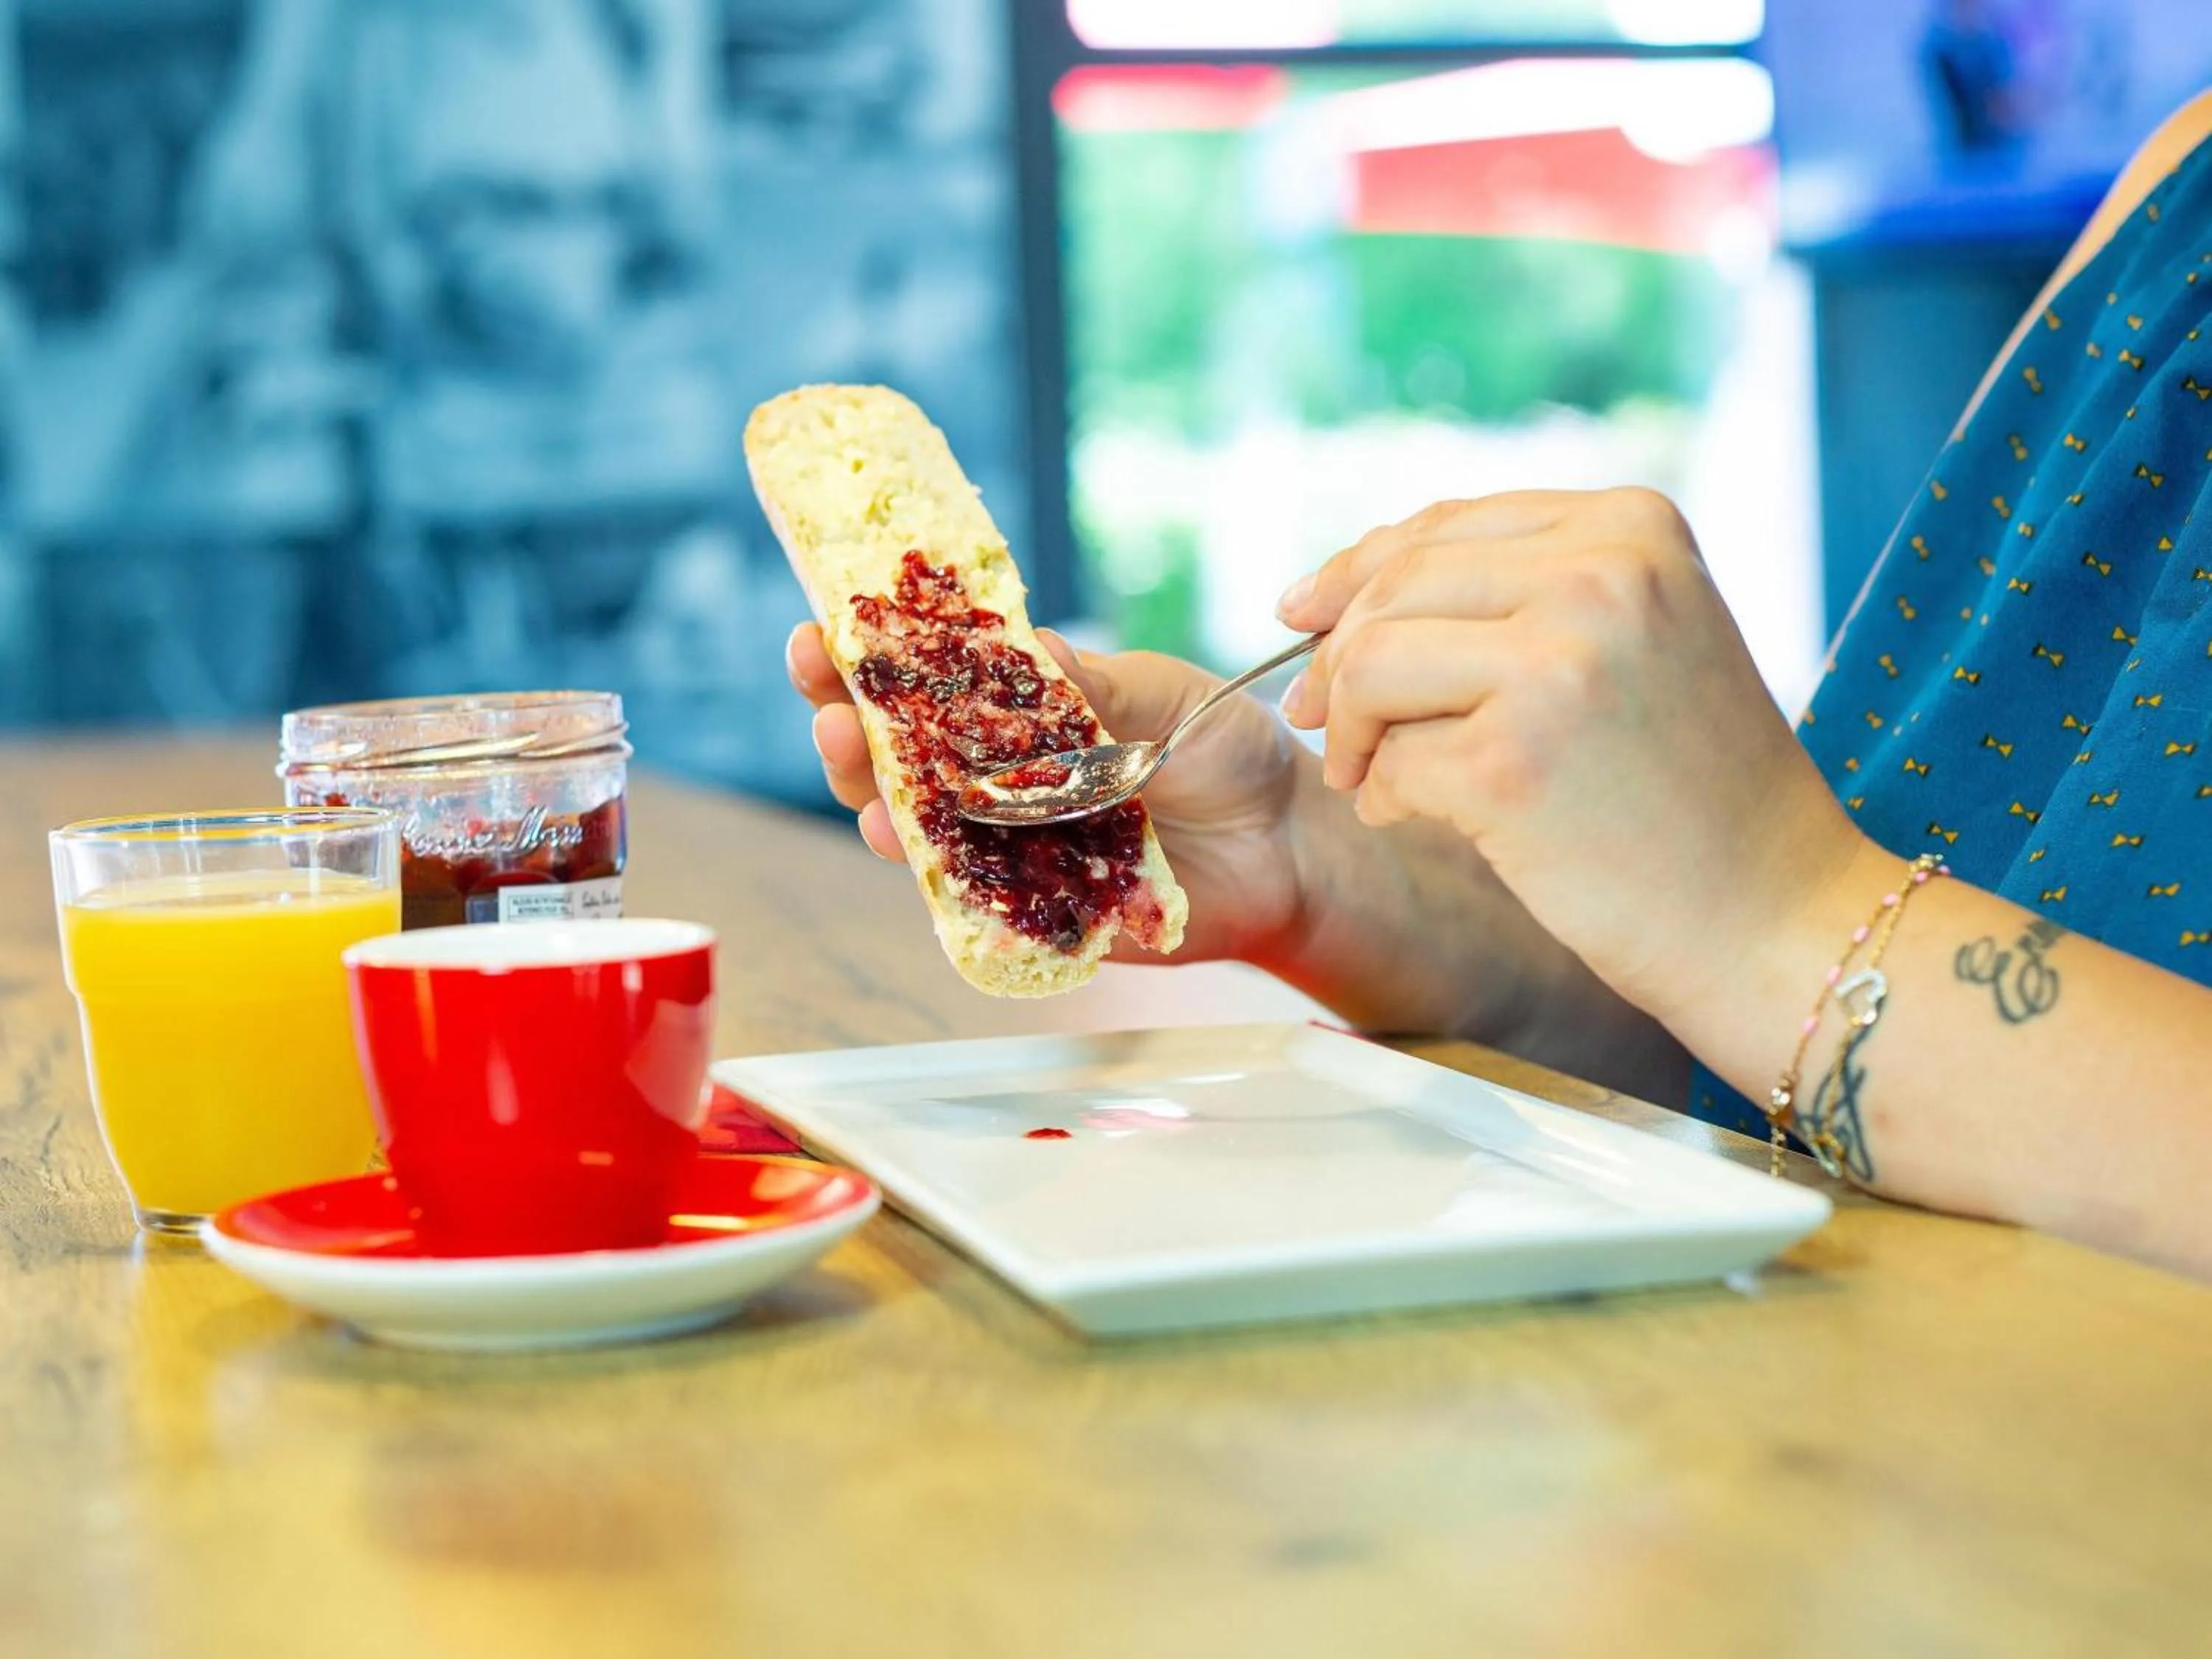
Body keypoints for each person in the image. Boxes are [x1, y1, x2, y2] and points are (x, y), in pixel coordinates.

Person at [790, 92, 2212, 1279]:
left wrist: (1778, 908)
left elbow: (1813, 951)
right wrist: (1323, 870)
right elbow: (1792, 1069)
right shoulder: (2175, 183)